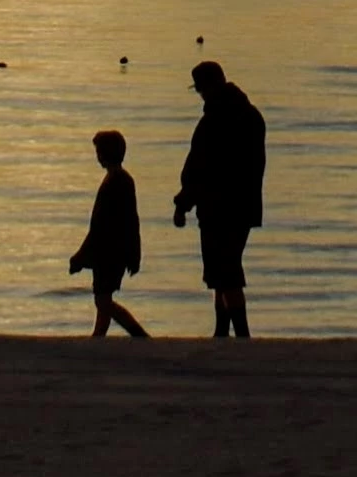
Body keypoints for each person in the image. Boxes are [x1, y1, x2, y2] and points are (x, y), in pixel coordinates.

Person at [171, 60, 267, 338]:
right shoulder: (251, 116)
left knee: (225, 274)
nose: (200, 94)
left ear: (210, 86)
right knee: (222, 273)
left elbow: (199, 168)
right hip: (244, 208)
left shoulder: (214, 121)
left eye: (201, 89)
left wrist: (182, 204)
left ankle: (240, 335)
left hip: (218, 209)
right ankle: (222, 333)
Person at [69, 129, 152, 338]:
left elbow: (104, 226)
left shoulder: (117, 181)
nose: (97, 156)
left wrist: (81, 255)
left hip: (110, 252)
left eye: (99, 151)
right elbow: (130, 221)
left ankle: (139, 335)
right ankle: (98, 337)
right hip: (112, 250)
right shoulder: (120, 179)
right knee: (102, 298)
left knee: (103, 300)